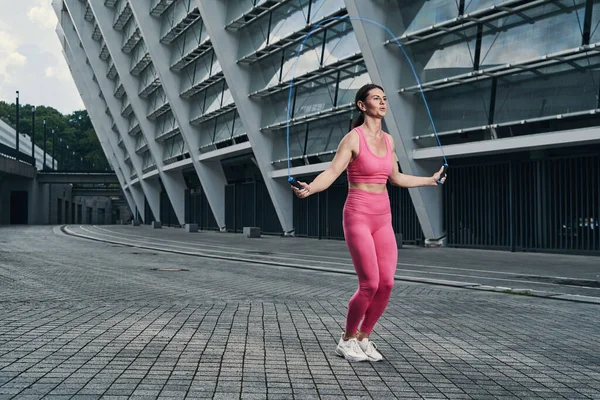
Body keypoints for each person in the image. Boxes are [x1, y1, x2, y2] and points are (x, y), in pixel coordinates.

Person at [292, 83, 447, 362]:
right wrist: (311, 188)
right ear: (362, 106)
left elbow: (397, 178)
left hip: (382, 217)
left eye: (385, 98)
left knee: (386, 283)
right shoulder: (353, 139)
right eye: (377, 98)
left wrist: (430, 180)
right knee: (369, 284)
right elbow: (332, 172)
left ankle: (364, 338)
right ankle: (346, 339)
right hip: (358, 214)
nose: (383, 102)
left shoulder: (389, 141)